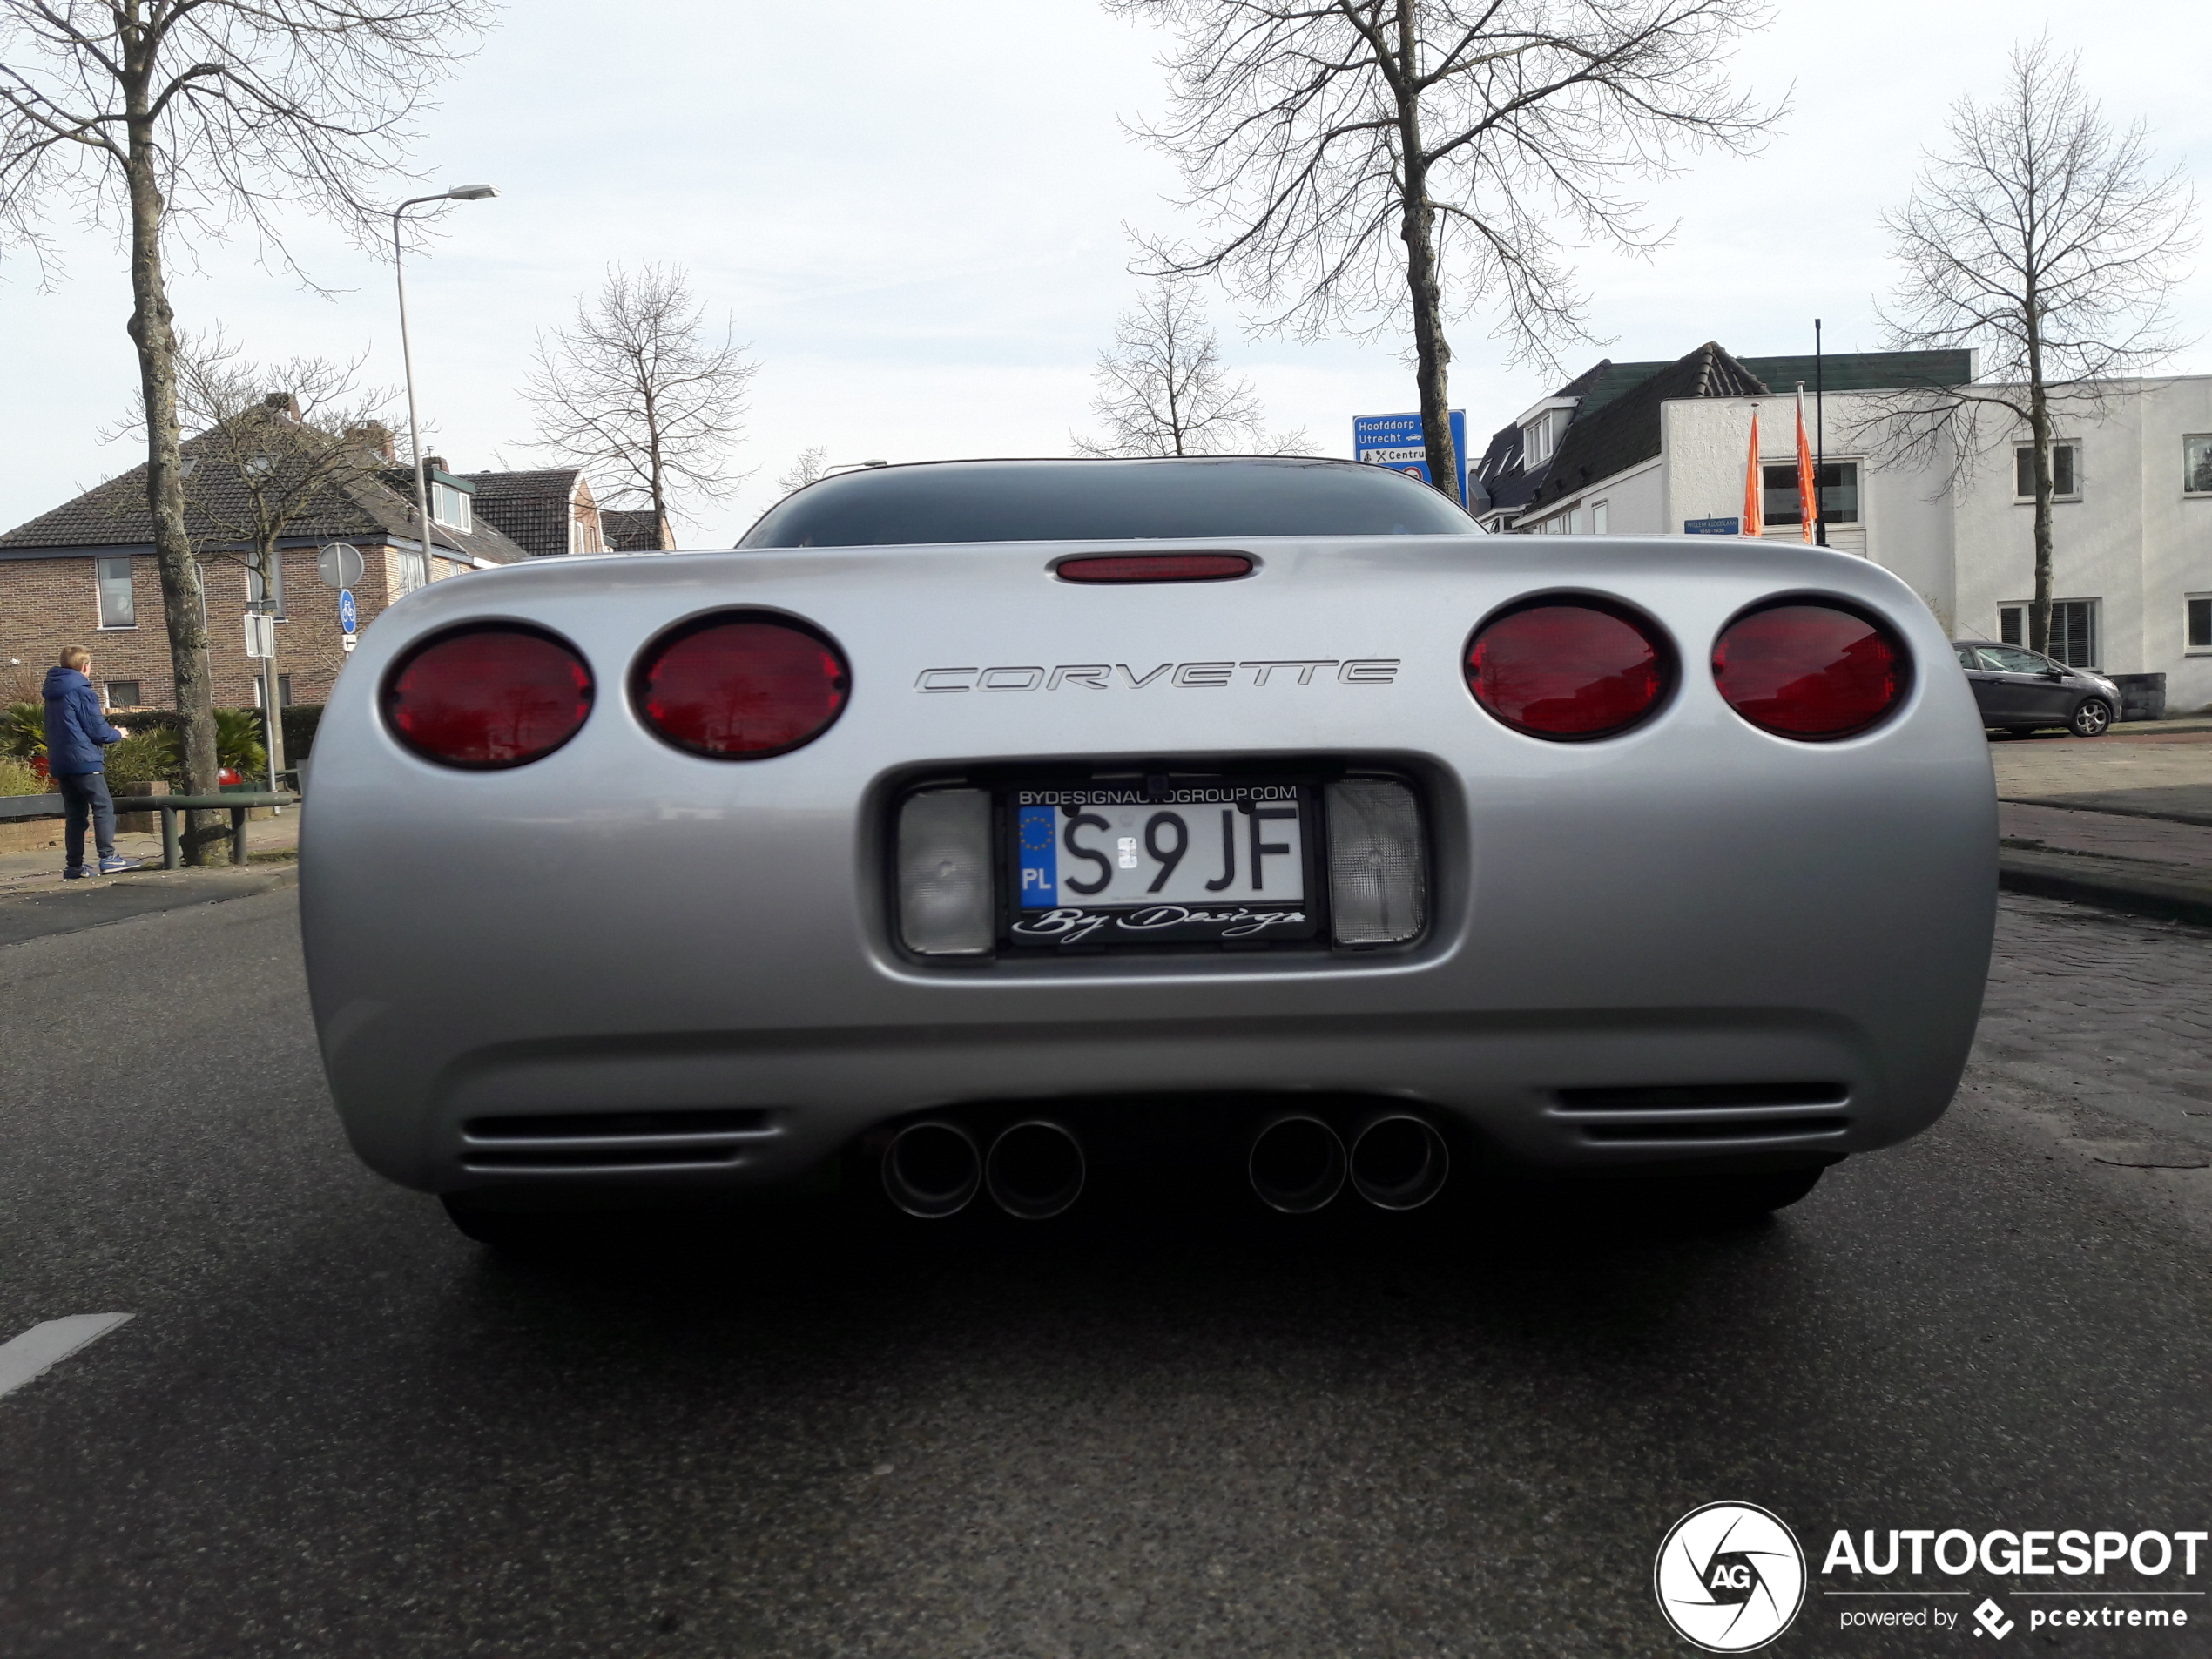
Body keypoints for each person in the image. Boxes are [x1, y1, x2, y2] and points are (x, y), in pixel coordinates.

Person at [41, 646, 140, 879]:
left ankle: (74, 866)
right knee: (103, 807)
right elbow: (97, 730)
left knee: (75, 815)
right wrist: (117, 734)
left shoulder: (52, 692)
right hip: (85, 760)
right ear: (85, 667)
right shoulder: (83, 691)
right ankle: (109, 858)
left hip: (62, 761)